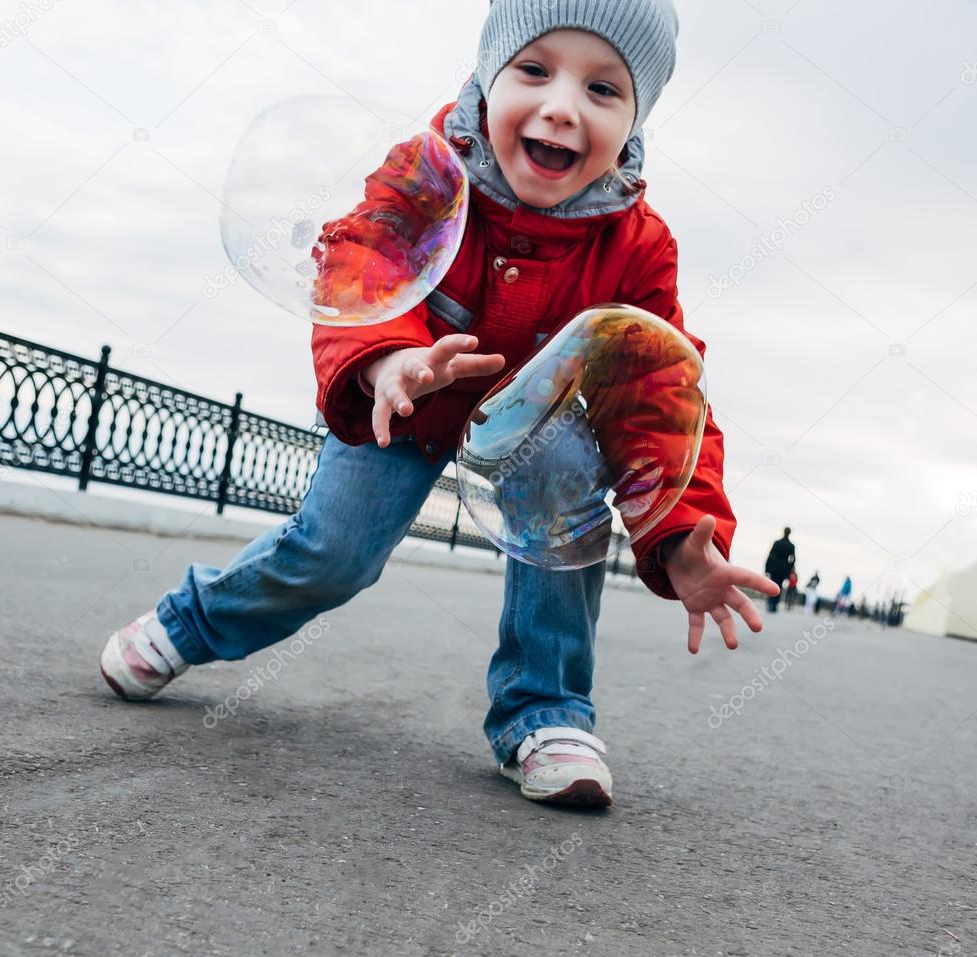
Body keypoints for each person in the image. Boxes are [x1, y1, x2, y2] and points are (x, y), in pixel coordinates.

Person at [99, 0, 779, 809]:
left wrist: (679, 538)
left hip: (533, 429)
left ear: (635, 120)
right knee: (334, 553)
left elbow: (655, 386)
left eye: (603, 89)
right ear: (489, 77)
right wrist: (385, 359)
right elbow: (360, 258)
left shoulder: (637, 243)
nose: (562, 105)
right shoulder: (425, 169)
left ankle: (546, 711)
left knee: (564, 486)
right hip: (404, 401)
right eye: (534, 71)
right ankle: (191, 622)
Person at [764, 527, 795, 613]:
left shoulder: (777, 543)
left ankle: (771, 603)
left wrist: (767, 568)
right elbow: (792, 559)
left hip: (774, 567)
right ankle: (775, 604)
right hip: (784, 569)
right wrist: (789, 569)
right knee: (779, 586)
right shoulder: (791, 546)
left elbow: (770, 555)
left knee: (773, 584)